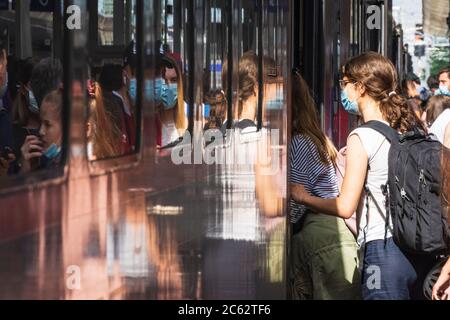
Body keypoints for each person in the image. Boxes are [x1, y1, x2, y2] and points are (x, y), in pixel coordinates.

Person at [291, 52, 434, 300]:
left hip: (383, 252)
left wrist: (302, 197)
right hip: (419, 251)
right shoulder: (408, 128)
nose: (342, 91)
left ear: (360, 87)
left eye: (344, 83)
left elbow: (345, 206)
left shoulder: (361, 137)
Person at [289, 69, 360, 300]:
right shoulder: (313, 136)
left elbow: (296, 203)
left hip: (323, 240)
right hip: (331, 238)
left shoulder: (298, 141)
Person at [20, 90, 63, 173]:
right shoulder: (44, 162)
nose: (41, 131)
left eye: (47, 125)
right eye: (41, 123)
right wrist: (25, 168)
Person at [10, 58, 40, 171]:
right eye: (35, 85)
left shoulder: (56, 125)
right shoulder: (11, 131)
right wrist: (23, 163)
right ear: (23, 88)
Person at [158, 54, 187, 148]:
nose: (168, 86)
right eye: (164, 80)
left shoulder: (190, 115)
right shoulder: (148, 122)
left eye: (173, 80)